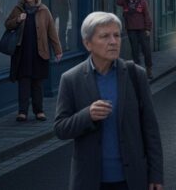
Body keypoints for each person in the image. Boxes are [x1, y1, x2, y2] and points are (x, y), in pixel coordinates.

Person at [54, 11, 164, 190]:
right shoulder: (71, 79)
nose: (113, 41)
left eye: (116, 35)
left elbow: (151, 130)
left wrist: (156, 175)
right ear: (87, 43)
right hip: (90, 181)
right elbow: (60, 129)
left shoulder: (136, 75)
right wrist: (87, 115)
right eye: (105, 36)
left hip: (132, 180)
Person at [5, 0, 63, 122]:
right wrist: (18, 19)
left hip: (39, 52)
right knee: (24, 82)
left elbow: (52, 32)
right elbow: (7, 24)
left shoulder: (43, 10)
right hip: (22, 52)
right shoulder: (18, 9)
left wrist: (57, 50)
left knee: (37, 82)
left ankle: (39, 111)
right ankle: (22, 112)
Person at [116, 0, 154, 79]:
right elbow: (118, 2)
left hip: (142, 29)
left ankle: (149, 70)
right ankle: (138, 71)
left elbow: (147, 14)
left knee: (146, 50)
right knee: (135, 51)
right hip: (131, 29)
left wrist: (148, 29)